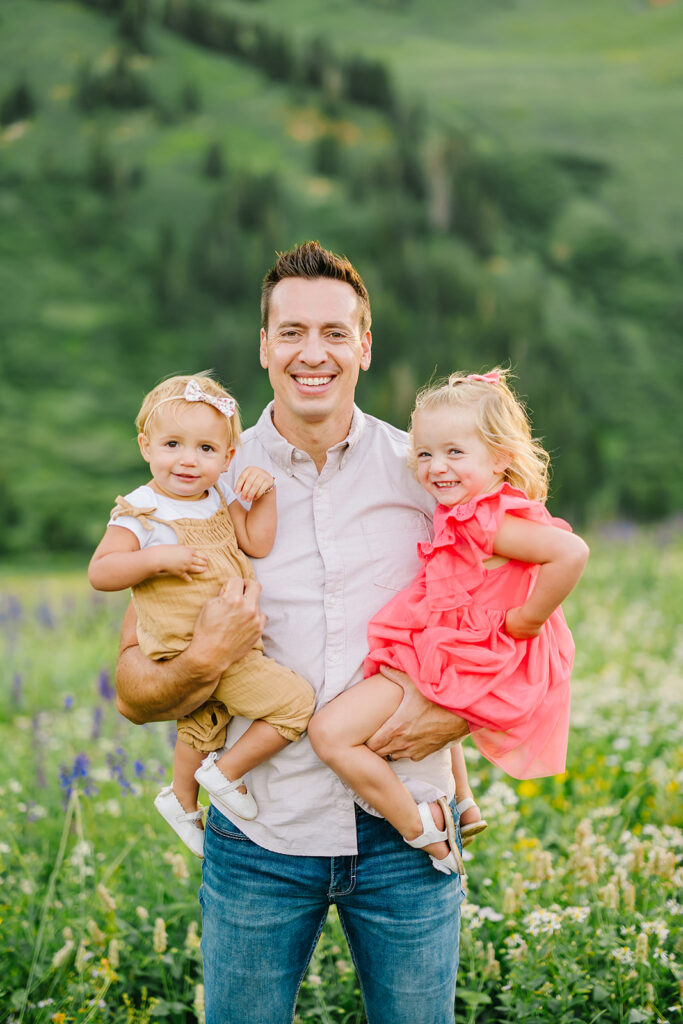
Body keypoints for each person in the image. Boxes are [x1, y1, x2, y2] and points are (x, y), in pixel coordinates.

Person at [115, 241, 470, 1024]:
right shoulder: (201, 483)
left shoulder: (428, 472)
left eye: (336, 333)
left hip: (408, 835)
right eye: (292, 332)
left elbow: (508, 619)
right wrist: (204, 658)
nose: (314, 353)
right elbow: (136, 691)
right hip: (259, 837)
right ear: (264, 346)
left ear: (365, 346)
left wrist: (461, 714)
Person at [308, 369, 589, 871]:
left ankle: (424, 830)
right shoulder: (467, 508)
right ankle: (462, 799)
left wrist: (526, 620)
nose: (437, 467)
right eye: (425, 454)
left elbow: (570, 552)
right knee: (408, 678)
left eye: (455, 453)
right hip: (451, 638)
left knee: (331, 734)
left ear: (500, 457)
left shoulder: (487, 519)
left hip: (474, 648)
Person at [89, 373, 315, 858]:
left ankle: (182, 798)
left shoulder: (218, 496)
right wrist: (156, 559)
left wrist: (266, 496)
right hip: (189, 642)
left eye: (207, 449)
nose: (189, 460)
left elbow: (257, 542)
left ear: (228, 457)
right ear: (146, 445)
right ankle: (224, 772)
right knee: (296, 702)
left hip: (232, 638)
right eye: (173, 444)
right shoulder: (141, 510)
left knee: (206, 719)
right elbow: (101, 571)